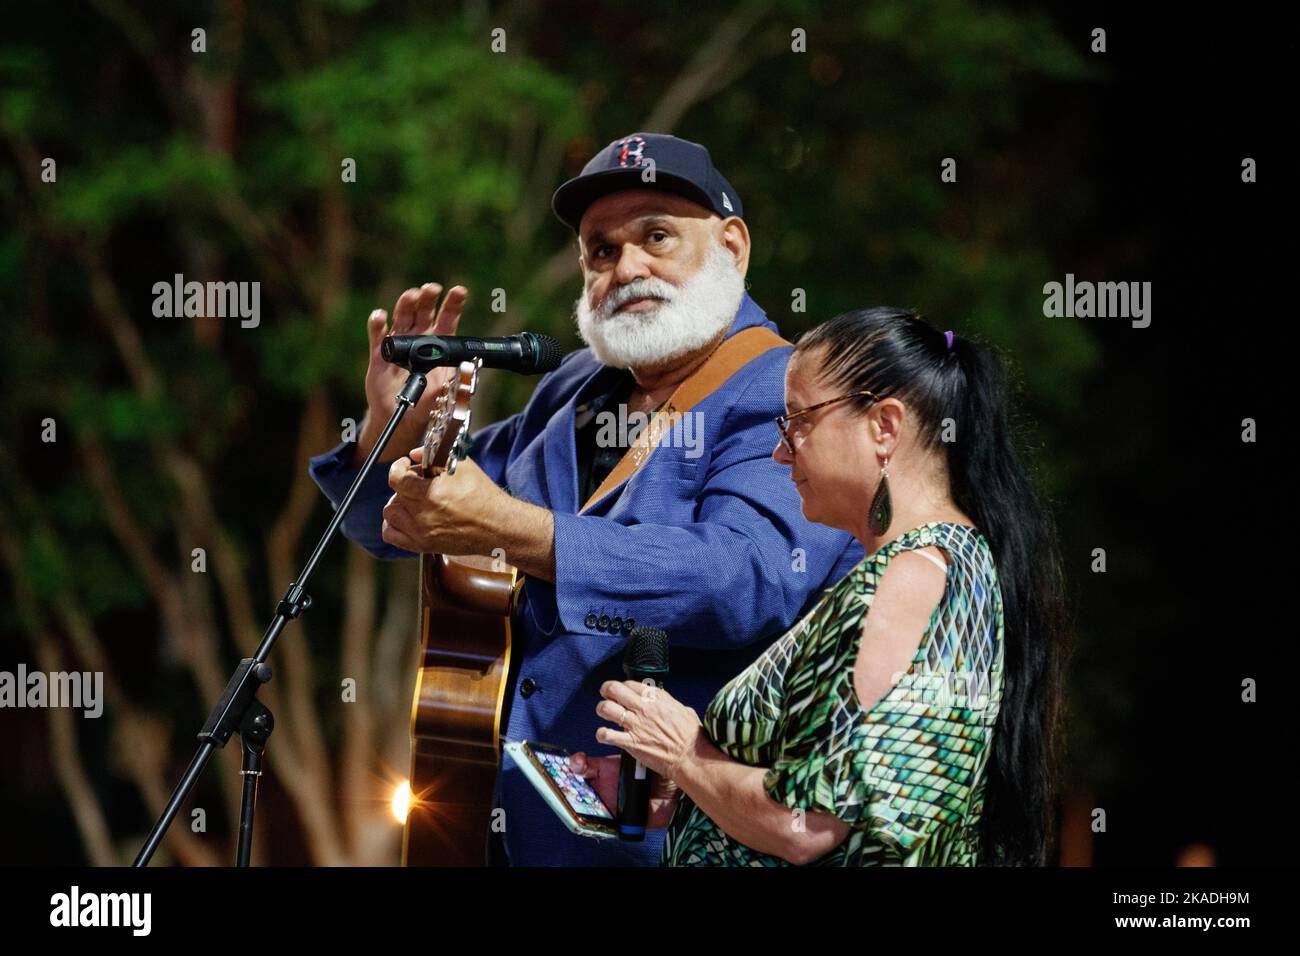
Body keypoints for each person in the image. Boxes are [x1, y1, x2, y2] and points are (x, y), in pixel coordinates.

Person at [308, 133, 863, 865]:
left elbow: (746, 577)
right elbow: (394, 526)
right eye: (600, 250)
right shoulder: (573, 387)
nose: (625, 266)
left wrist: (515, 529)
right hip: (492, 822)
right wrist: (393, 428)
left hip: (668, 840)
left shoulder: (787, 389)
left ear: (733, 245)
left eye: (655, 236)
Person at [572, 307, 1069, 865]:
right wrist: (689, 788)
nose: (782, 451)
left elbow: (805, 828)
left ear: (885, 426)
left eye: (797, 421)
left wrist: (685, 752)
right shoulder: (944, 564)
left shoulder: (909, 580)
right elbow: (854, 798)